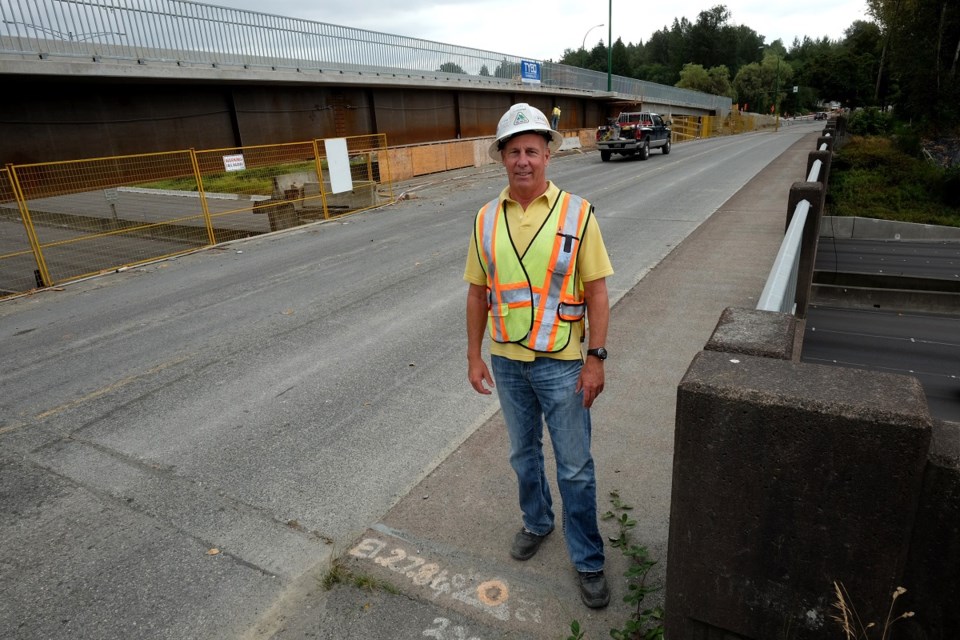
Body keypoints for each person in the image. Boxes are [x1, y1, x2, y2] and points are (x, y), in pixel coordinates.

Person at [464, 103, 613, 608]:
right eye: (513, 151)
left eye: (531, 150)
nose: (522, 160)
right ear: (501, 159)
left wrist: (596, 358)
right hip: (506, 362)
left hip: (562, 363)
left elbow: (597, 292)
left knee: (574, 466)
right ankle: (537, 522)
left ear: (548, 155)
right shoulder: (486, 218)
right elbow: (475, 293)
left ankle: (588, 560)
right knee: (523, 455)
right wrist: (473, 355)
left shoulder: (577, 212)